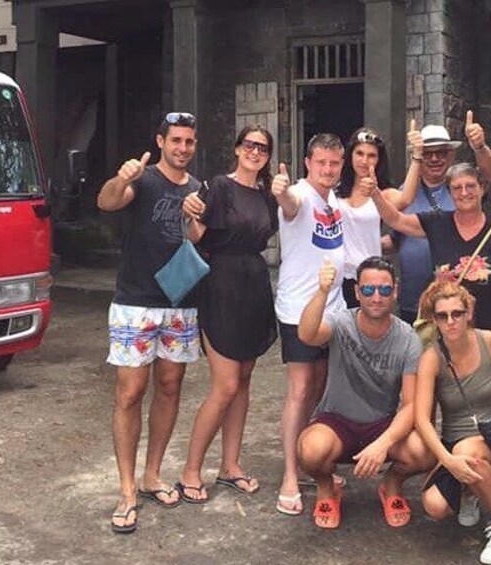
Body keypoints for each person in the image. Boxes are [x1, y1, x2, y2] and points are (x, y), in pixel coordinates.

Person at [367, 161, 491, 515]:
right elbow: (395, 220)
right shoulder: (438, 224)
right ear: (450, 193)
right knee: (446, 408)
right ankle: (457, 471)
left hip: (484, 335)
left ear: (482, 188)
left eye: (471, 186)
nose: (465, 193)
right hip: (444, 332)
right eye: (457, 189)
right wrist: (375, 192)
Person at [97, 112, 204, 534]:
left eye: (189, 142)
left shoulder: (197, 187)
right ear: (161, 141)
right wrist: (122, 178)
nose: (182, 148)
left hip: (179, 302)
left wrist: (195, 218)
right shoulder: (141, 179)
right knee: (129, 393)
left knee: (170, 386)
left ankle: (152, 475)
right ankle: (126, 489)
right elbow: (106, 202)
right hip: (135, 303)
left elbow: (195, 239)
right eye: (176, 140)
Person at [176, 125, 278, 503]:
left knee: (244, 383)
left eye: (262, 148)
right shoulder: (219, 186)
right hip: (221, 286)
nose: (255, 152)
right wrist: (188, 212)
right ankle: (190, 470)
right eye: (249, 145)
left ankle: (230, 466)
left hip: (254, 286)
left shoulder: (267, 196)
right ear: (237, 149)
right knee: (226, 386)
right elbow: (195, 235)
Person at [297, 256, 432, 529]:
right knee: (310, 450)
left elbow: (409, 405)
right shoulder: (341, 322)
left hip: (382, 425)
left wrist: (382, 444)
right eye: (368, 290)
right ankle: (327, 488)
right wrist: (322, 291)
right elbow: (307, 335)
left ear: (395, 292)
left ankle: (391, 485)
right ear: (358, 292)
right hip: (336, 422)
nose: (376, 297)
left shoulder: (408, 338)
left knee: (424, 452)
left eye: (384, 290)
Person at [415, 280, 491, 565]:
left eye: (457, 313)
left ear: (468, 314)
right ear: (434, 319)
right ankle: (471, 491)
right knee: (434, 506)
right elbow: (421, 419)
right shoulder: (431, 358)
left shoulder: (488, 340)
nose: (450, 321)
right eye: (442, 316)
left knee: (470, 456)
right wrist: (446, 460)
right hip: (457, 443)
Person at [272, 133, 347, 515]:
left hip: (332, 311)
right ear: (308, 163)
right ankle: (289, 474)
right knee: (300, 391)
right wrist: (281, 191)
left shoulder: (333, 199)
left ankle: (307, 461)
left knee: (318, 388)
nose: (328, 170)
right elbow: (289, 205)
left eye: (334, 164)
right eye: (322, 163)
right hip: (299, 310)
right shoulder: (300, 195)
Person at [384, 111, 491, 324]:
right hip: (414, 303)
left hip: (457, 306)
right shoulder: (405, 192)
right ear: (418, 156)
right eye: (427, 153)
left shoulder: (462, 187)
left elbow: (488, 174)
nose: (435, 158)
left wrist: (480, 147)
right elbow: (396, 239)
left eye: (441, 152)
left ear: (451, 155)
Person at [335, 123, 422, 307]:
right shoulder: (334, 191)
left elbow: (406, 198)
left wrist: (417, 156)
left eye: (371, 155)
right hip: (337, 277)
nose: (364, 160)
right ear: (350, 155)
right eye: (359, 153)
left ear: (379, 160)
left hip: (369, 278)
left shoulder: (383, 194)